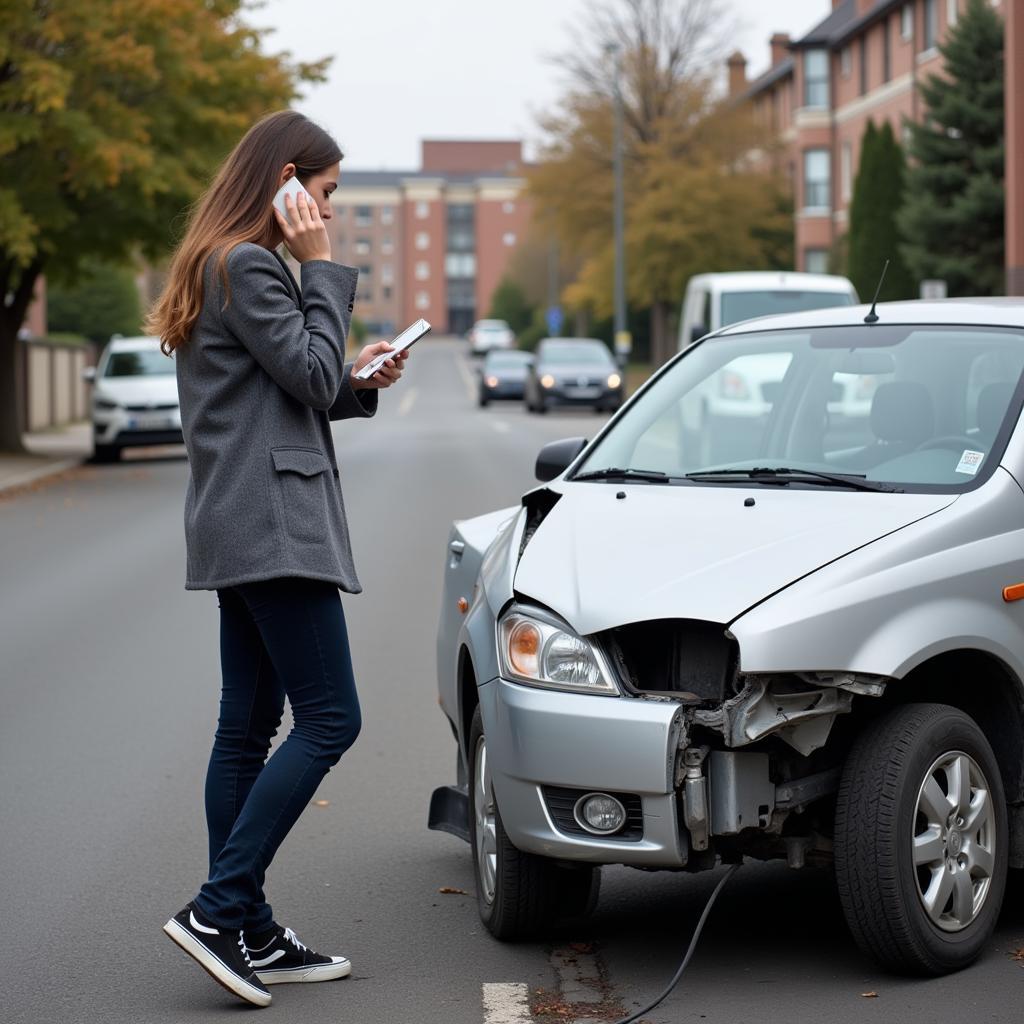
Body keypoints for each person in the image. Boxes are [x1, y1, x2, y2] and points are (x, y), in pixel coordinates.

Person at [146, 110, 408, 1008]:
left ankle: (248, 927)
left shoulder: (217, 262)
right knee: (332, 719)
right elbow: (300, 372)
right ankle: (220, 910)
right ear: (290, 182)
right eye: (325, 194)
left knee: (248, 728)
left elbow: (287, 385)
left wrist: (354, 381)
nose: (328, 210)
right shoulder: (250, 262)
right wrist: (323, 264)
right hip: (273, 524)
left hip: (241, 519)